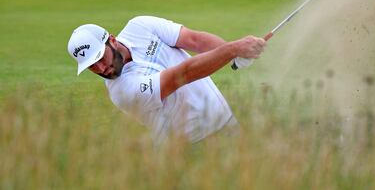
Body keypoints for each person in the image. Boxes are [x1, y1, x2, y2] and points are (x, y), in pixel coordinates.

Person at [67, 16, 266, 146]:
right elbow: (183, 75)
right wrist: (232, 49)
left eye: (101, 58)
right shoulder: (121, 91)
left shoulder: (140, 27)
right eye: (92, 66)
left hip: (226, 122)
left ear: (111, 40)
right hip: (191, 149)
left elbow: (194, 40)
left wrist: (234, 55)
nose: (102, 69)